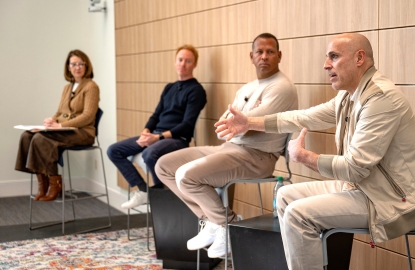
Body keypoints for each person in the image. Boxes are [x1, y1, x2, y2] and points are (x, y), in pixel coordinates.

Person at [214, 33, 415, 269]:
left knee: (297, 214)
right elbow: (303, 117)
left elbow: (354, 168)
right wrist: (250, 123)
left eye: (334, 57)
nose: (326, 65)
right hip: (363, 188)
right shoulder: (349, 96)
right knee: (286, 196)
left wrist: (305, 157)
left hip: (386, 200)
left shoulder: (380, 99)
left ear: (359, 58)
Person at [155, 33, 298, 258]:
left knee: (186, 176)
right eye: (259, 52)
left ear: (279, 55)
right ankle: (211, 220)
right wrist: (247, 118)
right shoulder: (247, 88)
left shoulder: (282, 87)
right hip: (230, 148)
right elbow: (224, 127)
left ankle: (227, 225)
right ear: (251, 56)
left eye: (270, 52)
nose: (264, 57)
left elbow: (242, 125)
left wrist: (245, 120)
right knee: (164, 166)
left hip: (257, 157)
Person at [107, 45, 207, 209]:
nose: (183, 64)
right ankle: (144, 190)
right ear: (175, 62)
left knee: (150, 153)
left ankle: (162, 193)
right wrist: (146, 132)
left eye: (188, 61)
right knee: (113, 150)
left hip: (176, 139)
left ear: (194, 64)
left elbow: (187, 126)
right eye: (180, 60)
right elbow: (156, 115)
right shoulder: (169, 88)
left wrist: (158, 137)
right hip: (155, 136)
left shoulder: (196, 90)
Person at [15, 49, 100, 201]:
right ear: (68, 67)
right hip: (65, 130)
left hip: (83, 133)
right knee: (27, 136)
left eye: (81, 64)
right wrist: (51, 121)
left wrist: (60, 126)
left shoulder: (91, 86)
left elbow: (88, 116)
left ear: (86, 66)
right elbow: (60, 112)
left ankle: (56, 183)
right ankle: (43, 182)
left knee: (41, 139)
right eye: (74, 64)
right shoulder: (67, 87)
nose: (77, 67)